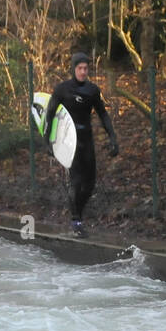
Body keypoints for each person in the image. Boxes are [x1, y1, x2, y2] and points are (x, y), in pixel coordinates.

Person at [43, 51, 119, 237]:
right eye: (80, 68)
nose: (83, 72)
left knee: (90, 183)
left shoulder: (93, 90)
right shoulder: (62, 89)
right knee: (76, 182)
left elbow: (103, 114)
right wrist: (48, 141)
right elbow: (50, 115)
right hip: (69, 140)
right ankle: (76, 220)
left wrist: (112, 138)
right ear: (73, 69)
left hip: (86, 138)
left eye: (86, 68)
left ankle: (78, 213)